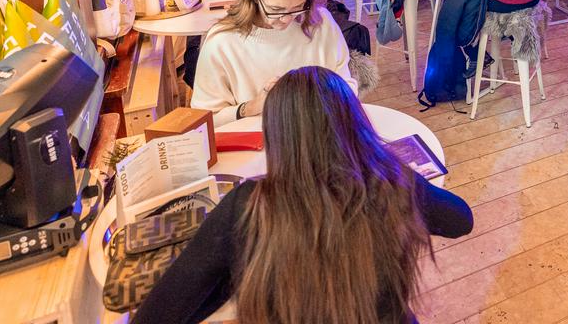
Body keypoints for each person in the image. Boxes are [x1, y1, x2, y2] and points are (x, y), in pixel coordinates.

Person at [132, 66, 473, 324]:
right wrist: (389, 165)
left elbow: (159, 313)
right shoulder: (389, 181)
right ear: (353, 123)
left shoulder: (248, 206)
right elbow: (460, 220)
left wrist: (230, 277)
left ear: (277, 134)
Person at [191, 0, 357, 126]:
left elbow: (346, 85)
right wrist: (251, 107)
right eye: (275, 10)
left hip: (316, 131)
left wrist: (323, 97)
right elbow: (205, 120)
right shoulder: (222, 42)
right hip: (253, 137)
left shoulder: (320, 23)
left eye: (298, 7)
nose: (286, 19)